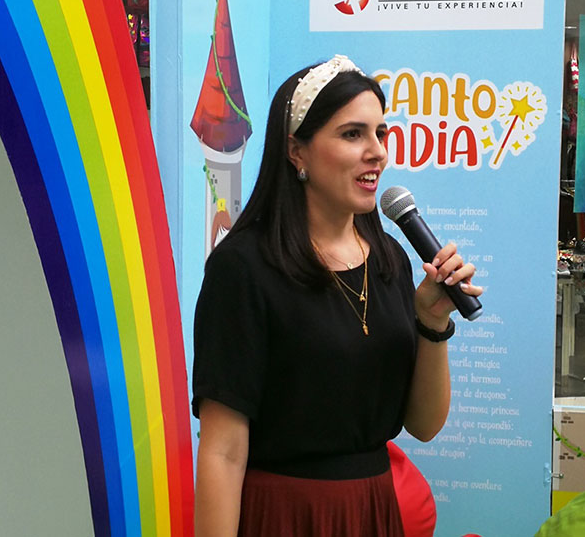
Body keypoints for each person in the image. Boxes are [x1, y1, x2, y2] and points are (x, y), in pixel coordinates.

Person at [192, 54, 483, 536]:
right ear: (296, 151)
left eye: (381, 133)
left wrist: (432, 323)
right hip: (284, 516)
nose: (377, 153)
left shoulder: (390, 259)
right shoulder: (243, 268)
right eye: (353, 134)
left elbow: (424, 426)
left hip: (372, 509)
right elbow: (222, 452)